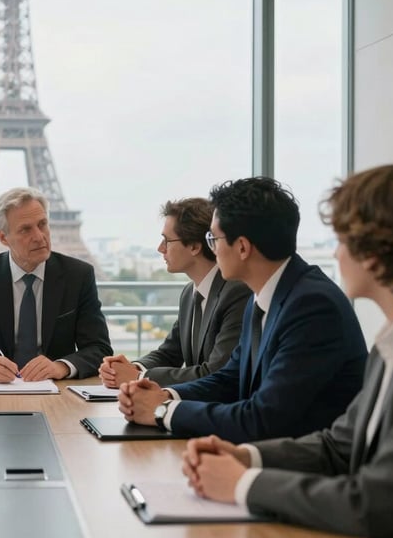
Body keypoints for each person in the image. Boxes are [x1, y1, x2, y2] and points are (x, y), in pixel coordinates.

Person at [183, 164, 393, 538]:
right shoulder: (389, 348)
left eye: (341, 240)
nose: (335, 254)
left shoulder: (317, 305)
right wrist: (247, 457)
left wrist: (244, 484)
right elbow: (337, 447)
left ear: (373, 255)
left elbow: (369, 503)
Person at [118, 177, 367, 442]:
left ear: (242, 247)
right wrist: (166, 396)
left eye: (213, 238)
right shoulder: (263, 296)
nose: (211, 249)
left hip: (304, 468)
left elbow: (263, 418)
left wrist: (162, 411)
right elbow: (230, 377)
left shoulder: (313, 306)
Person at [0, 186, 112, 381]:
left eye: (42, 224)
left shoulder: (78, 276)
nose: (39, 236)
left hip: (57, 392)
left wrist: (61, 367)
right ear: (3, 237)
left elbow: (100, 349)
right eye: (26, 229)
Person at [100, 198, 250, 388]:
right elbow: (169, 354)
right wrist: (131, 367)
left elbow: (215, 372)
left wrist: (138, 377)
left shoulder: (237, 293)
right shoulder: (189, 293)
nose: (160, 248)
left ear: (195, 246)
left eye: (167, 240)